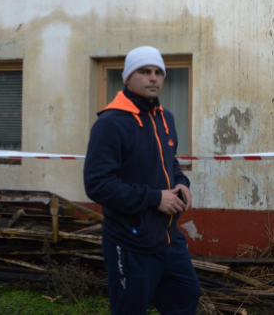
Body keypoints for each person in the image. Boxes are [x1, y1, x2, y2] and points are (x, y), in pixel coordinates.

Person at [84, 46, 201, 315]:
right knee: (130, 309)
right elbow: (97, 184)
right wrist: (155, 198)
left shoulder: (165, 118)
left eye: (159, 72)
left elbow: (171, 160)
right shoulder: (111, 123)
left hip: (169, 239)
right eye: (144, 71)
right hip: (130, 243)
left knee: (185, 297)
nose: (153, 78)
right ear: (127, 78)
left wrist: (182, 181)